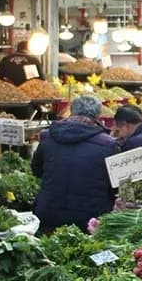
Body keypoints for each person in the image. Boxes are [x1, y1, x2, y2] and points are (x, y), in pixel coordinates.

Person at [32, 95, 119, 233]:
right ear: (98, 115)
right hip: (89, 218)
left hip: (49, 211)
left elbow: (36, 170)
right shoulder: (109, 145)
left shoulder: (48, 136)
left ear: (71, 111)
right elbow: (118, 185)